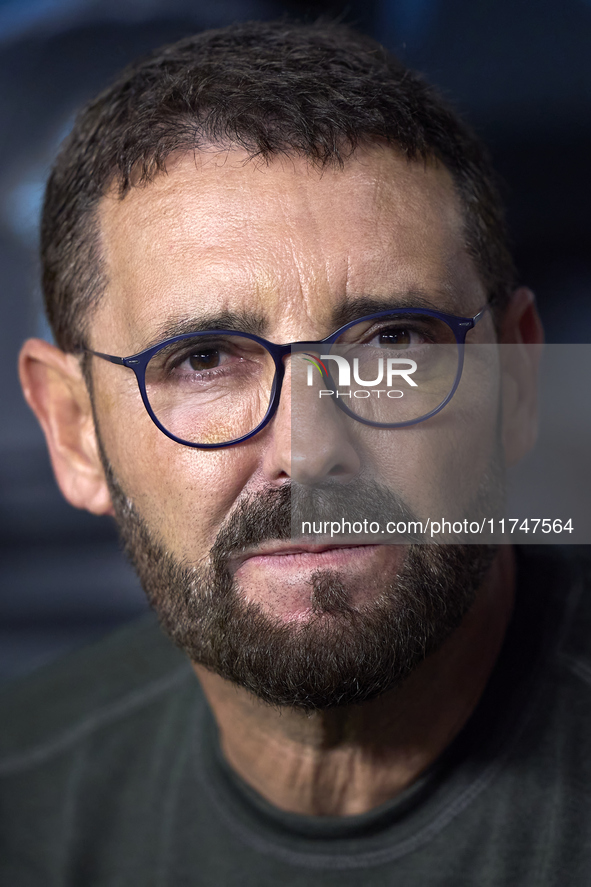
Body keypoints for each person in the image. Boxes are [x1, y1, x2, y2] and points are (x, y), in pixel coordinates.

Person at [1, 18, 589, 886]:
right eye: (203, 360)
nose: (309, 456)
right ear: (73, 430)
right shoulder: (22, 797)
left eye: (391, 341)